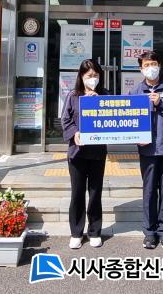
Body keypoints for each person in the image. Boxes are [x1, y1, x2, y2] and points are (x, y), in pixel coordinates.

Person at [129, 50, 163, 250]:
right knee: (150, 191)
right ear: (141, 69)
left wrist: (160, 103)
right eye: (146, 65)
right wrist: (136, 137)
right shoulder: (135, 92)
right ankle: (150, 233)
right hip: (147, 150)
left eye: (153, 64)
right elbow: (130, 119)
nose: (150, 68)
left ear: (159, 65)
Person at [60, 59, 108, 249]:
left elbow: (113, 118)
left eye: (96, 75)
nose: (92, 79)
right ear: (81, 76)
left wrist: (99, 103)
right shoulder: (73, 96)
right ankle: (76, 232)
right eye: (89, 76)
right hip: (77, 153)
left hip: (97, 153)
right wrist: (74, 133)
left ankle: (95, 231)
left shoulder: (105, 95)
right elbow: (65, 120)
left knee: (95, 193)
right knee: (77, 193)